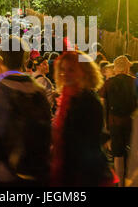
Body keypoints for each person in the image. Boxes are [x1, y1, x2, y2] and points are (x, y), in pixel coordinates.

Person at [0, 36, 51, 186]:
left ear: (1, 61)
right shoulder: (39, 92)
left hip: (2, 177)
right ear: (25, 60)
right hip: (35, 175)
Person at [51, 50, 116, 187]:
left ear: (84, 72)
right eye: (62, 69)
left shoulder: (88, 101)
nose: (64, 74)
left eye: (71, 70)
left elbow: (86, 143)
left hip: (82, 174)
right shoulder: (68, 97)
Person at [100, 55, 138, 187]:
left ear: (116, 68)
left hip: (114, 122)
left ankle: (121, 184)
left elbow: (103, 104)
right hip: (131, 122)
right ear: (127, 68)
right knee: (132, 152)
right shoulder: (134, 82)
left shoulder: (108, 83)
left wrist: (105, 124)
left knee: (118, 155)